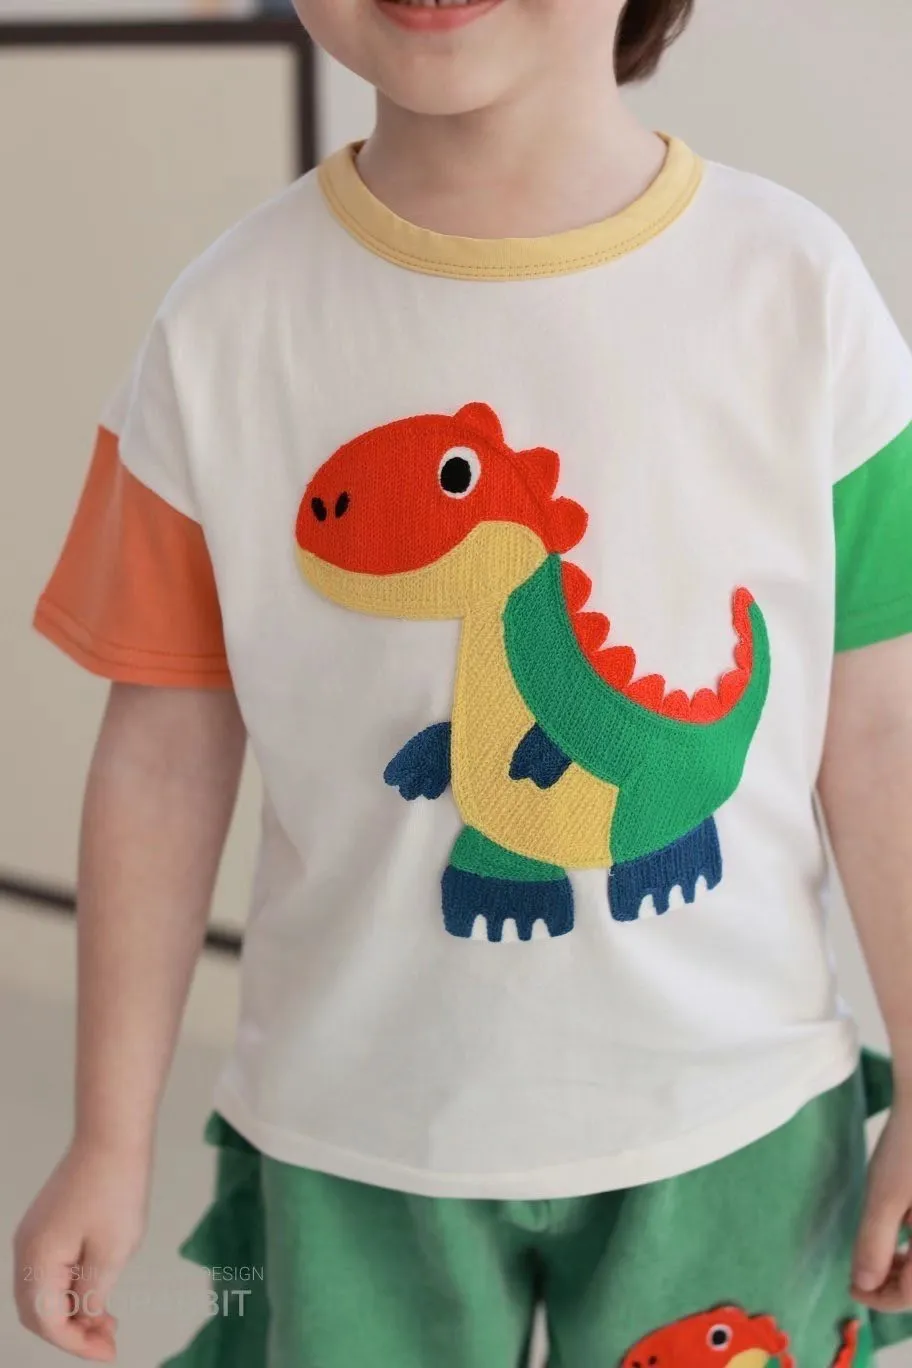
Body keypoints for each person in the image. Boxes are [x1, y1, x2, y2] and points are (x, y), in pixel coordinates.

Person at [13, 1, 912, 1364]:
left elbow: (883, 729)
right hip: (348, 1141)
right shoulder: (219, 325)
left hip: (738, 1122)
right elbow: (161, 755)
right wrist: (108, 1133)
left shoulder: (799, 289)